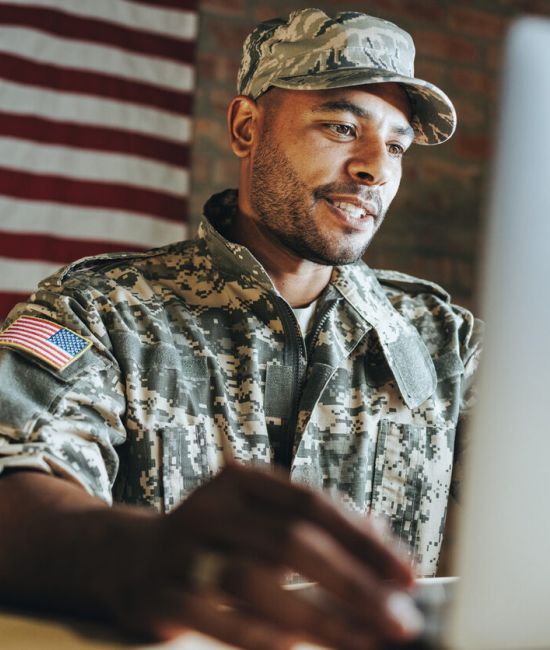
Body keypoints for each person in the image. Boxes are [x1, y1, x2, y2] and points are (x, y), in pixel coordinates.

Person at [0, 8, 482, 650]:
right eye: (342, 126)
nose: (376, 170)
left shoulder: (446, 342)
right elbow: (15, 491)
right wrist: (139, 555)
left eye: (396, 145)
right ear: (246, 126)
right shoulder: (98, 312)